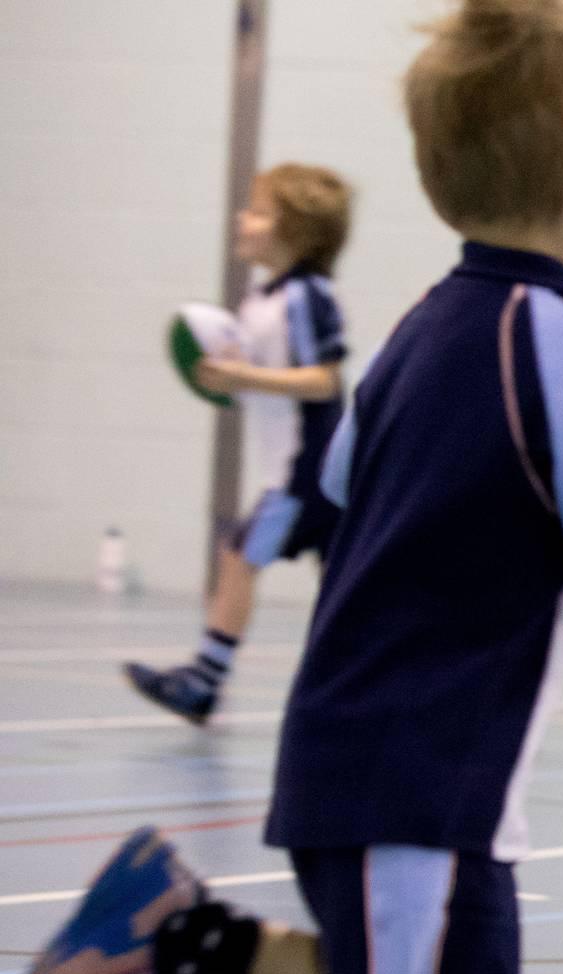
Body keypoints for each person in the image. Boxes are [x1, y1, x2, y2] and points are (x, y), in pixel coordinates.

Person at [3, 3, 563, 974]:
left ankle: (174, 924)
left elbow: (338, 488)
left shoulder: (420, 325)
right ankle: (171, 924)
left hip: (389, 762)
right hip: (418, 775)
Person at [124, 162, 353, 725]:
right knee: (341, 582)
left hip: (308, 468)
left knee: (238, 555)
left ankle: (203, 681)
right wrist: (230, 378)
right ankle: (362, 690)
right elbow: (262, 383)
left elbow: (323, 379)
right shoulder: (257, 301)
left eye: (257, 212)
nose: (241, 219)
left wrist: (245, 378)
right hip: (299, 468)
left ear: (293, 232)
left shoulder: (307, 297)